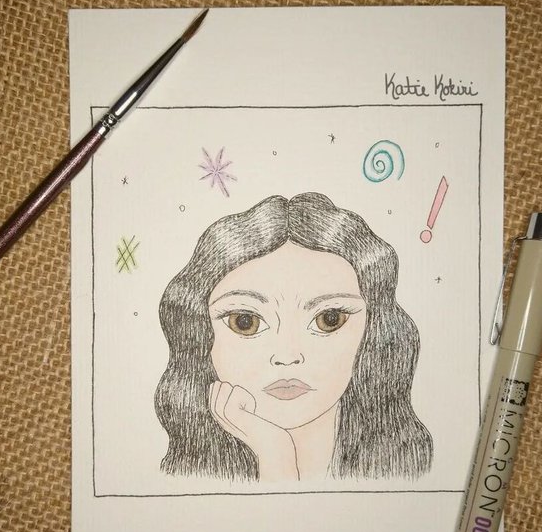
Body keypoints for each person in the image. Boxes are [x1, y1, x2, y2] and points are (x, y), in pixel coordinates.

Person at [155, 192, 432, 482]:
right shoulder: (189, 475)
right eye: (245, 322)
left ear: (373, 328)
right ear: (199, 334)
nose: (287, 356)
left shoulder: (406, 467)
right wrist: (274, 452)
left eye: (329, 319)